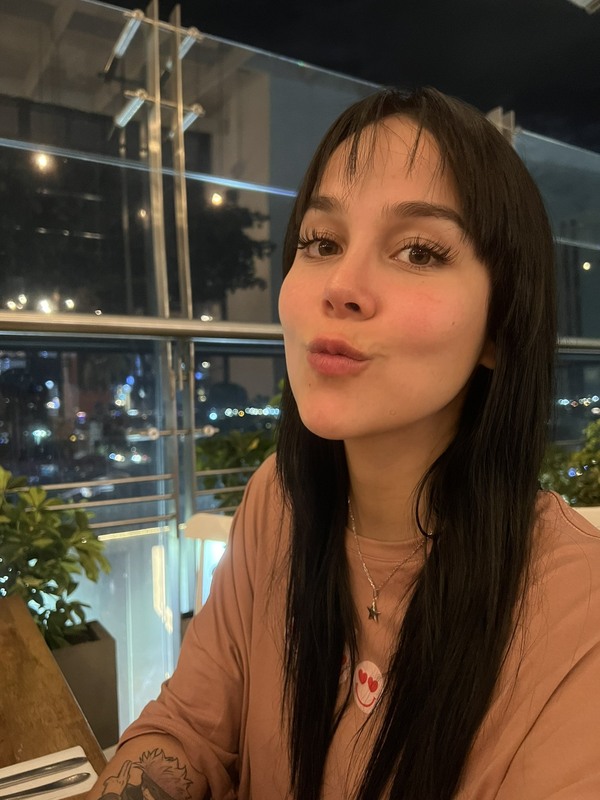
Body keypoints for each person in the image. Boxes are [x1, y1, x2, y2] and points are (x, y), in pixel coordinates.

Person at [87, 87, 600, 800]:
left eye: (418, 251)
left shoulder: (577, 614)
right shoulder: (279, 503)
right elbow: (187, 732)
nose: (342, 285)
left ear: (499, 328)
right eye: (322, 243)